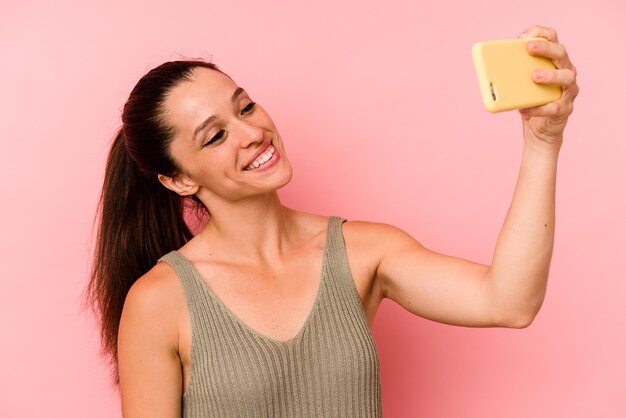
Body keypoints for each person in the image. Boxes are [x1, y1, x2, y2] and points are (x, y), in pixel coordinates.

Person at [86, 24, 578, 417]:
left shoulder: (366, 251)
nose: (253, 132)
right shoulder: (159, 302)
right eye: (215, 137)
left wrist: (543, 143)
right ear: (177, 181)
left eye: (246, 106)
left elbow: (509, 302)